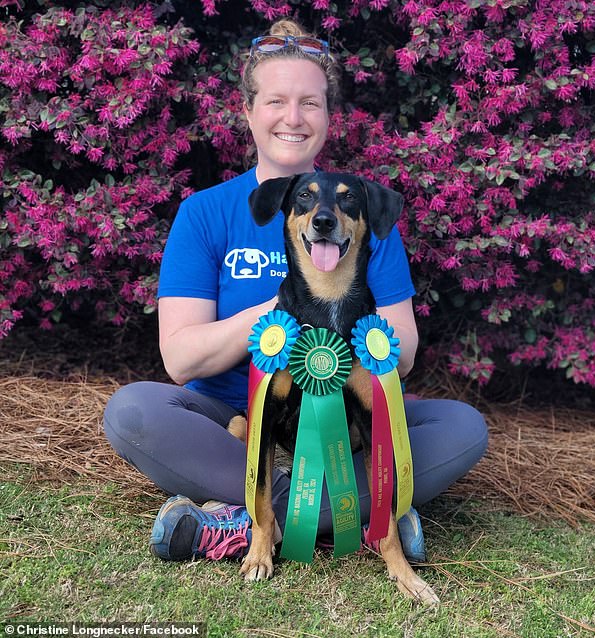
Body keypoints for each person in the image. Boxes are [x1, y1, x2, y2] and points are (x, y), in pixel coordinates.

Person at [103, 19, 488, 564]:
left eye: (310, 102)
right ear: (249, 111)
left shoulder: (359, 212)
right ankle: (359, 514)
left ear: (328, 117)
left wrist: (336, 313)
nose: (293, 117)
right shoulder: (205, 213)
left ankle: (239, 524)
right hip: (232, 429)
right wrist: (290, 306)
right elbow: (181, 358)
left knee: (460, 427)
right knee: (133, 411)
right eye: (277, 100)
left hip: (346, 428)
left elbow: (399, 355)